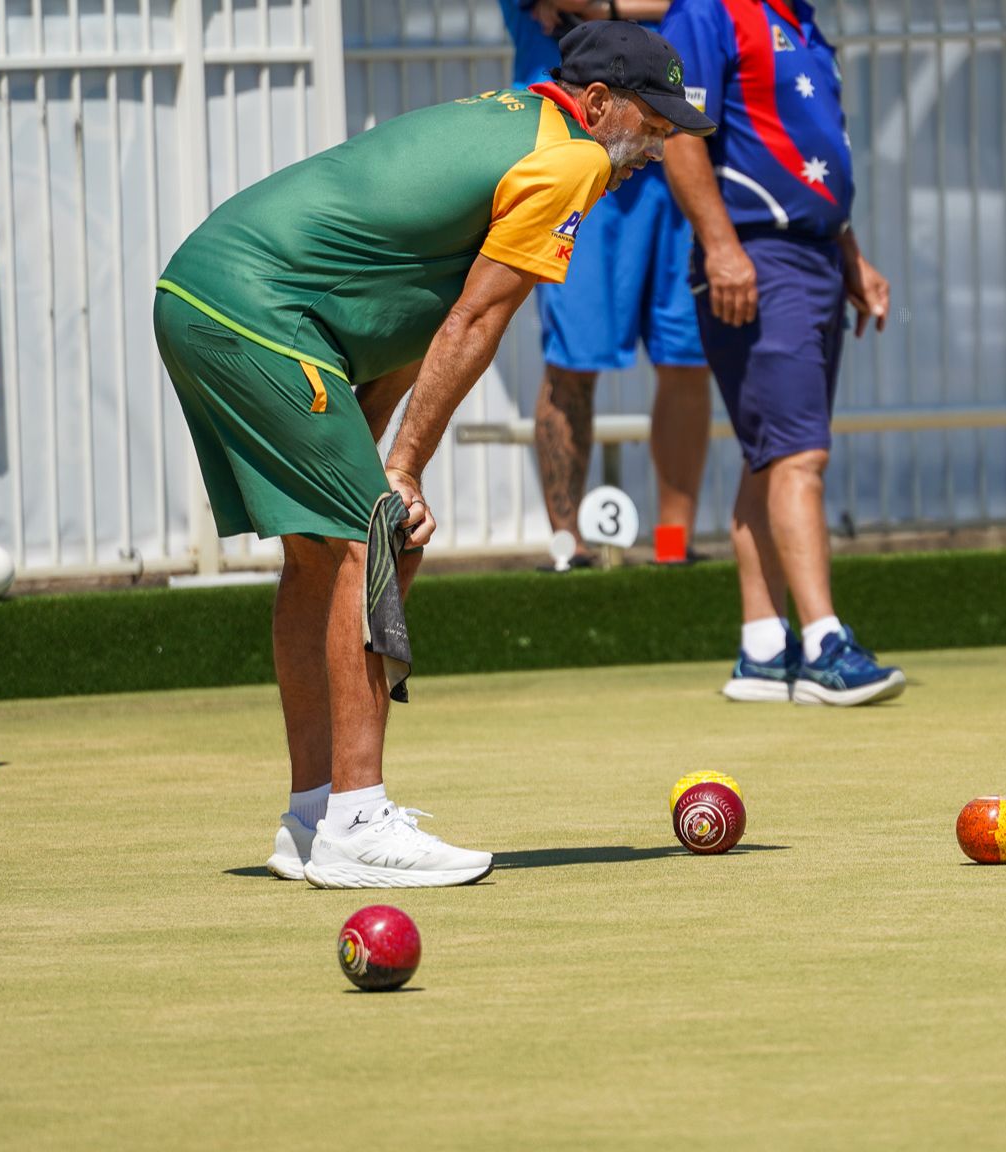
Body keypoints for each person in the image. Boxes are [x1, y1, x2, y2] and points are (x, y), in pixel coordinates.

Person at [153, 22, 713, 888]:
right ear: (597, 103)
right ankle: (358, 822)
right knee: (370, 541)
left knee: (321, 556)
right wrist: (401, 475)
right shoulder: (573, 161)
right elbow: (475, 324)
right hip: (257, 312)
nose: (662, 142)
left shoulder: (513, 125)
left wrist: (383, 458)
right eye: (653, 120)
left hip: (210, 296)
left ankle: (312, 819)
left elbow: (406, 323)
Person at [659, 0, 903, 706]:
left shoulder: (803, 23)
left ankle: (764, 649)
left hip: (814, 254)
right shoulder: (709, 13)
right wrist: (722, 246)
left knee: (772, 451)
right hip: (757, 254)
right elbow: (679, 133)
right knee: (798, 454)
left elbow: (811, 155)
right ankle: (826, 641)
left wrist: (851, 256)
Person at [502, 0, 712, 567]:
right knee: (573, 357)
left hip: (675, 141)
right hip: (582, 140)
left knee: (688, 356)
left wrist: (603, 7)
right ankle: (569, 549)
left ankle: (673, 548)